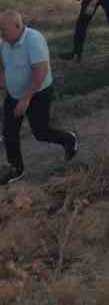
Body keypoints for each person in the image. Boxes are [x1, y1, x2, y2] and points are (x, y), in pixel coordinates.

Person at [0, 11, 78, 184]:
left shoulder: (33, 40)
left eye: (3, 30)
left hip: (37, 93)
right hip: (14, 95)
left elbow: (40, 72)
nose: (1, 34)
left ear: (18, 26)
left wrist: (26, 99)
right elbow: (7, 69)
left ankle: (69, 139)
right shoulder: (4, 43)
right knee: (9, 134)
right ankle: (16, 169)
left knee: (41, 132)